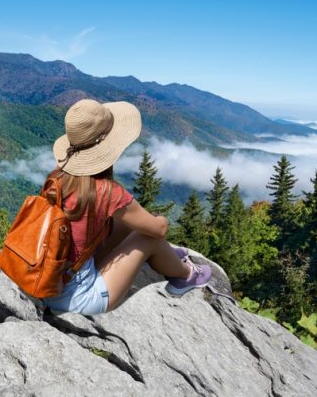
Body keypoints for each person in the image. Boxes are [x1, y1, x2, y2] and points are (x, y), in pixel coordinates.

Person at [42, 98, 211, 315]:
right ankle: (187, 275)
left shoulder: (56, 178)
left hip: (49, 283)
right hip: (78, 299)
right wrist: (162, 220)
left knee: (128, 225)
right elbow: (158, 230)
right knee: (149, 235)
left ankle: (165, 256)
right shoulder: (106, 190)